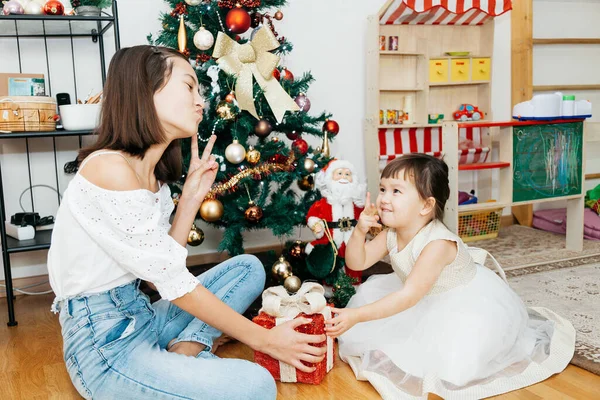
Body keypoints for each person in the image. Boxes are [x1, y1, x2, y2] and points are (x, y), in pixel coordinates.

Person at [47, 45, 326, 400]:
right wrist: (267, 341)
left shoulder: (153, 179)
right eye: (189, 86)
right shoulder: (109, 168)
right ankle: (175, 358)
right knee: (255, 386)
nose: (201, 101)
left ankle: (187, 348)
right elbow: (172, 281)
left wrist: (191, 198)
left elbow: (157, 271)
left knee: (248, 268)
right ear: (146, 92)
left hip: (141, 313)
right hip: (104, 345)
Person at [325, 153, 576, 399]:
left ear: (426, 205)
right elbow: (357, 262)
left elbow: (409, 296)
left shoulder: (437, 244)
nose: (384, 199)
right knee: (384, 330)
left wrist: (357, 316)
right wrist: (359, 231)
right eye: (382, 189)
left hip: (459, 302)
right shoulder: (391, 233)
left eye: (396, 191)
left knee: (453, 365)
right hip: (417, 294)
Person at [305, 159, 365, 283]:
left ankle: (354, 284)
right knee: (330, 263)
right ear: (330, 179)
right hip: (330, 240)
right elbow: (312, 216)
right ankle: (330, 286)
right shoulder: (323, 203)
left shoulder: (356, 203)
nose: (344, 177)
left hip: (351, 239)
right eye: (339, 173)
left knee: (354, 261)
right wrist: (316, 224)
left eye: (347, 174)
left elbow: (364, 215)